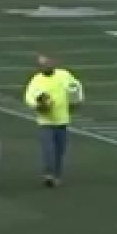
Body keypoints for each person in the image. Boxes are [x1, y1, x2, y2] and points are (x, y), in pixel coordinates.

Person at [24, 55, 84, 188]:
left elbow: (75, 87)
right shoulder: (36, 80)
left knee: (60, 151)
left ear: (53, 63)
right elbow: (29, 97)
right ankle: (48, 175)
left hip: (62, 120)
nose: (45, 66)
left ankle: (56, 175)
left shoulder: (64, 75)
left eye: (47, 63)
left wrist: (77, 100)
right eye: (42, 64)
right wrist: (38, 105)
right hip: (46, 122)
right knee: (49, 149)